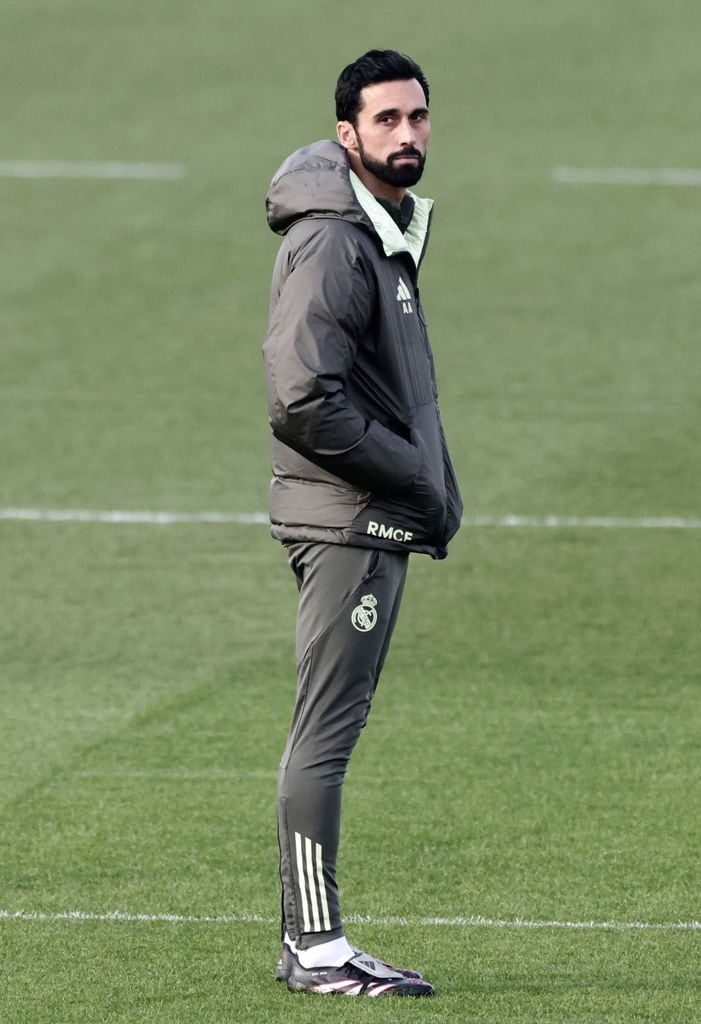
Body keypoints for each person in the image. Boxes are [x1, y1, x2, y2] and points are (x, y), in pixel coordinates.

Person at [262, 48, 463, 997]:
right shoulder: (336, 240)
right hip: (351, 521)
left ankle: (316, 943)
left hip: (367, 515)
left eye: (417, 117)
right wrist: (411, 477)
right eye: (385, 120)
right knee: (324, 733)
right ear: (347, 134)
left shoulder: (378, 228)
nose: (407, 134)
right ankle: (315, 946)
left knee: (330, 726)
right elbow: (302, 398)